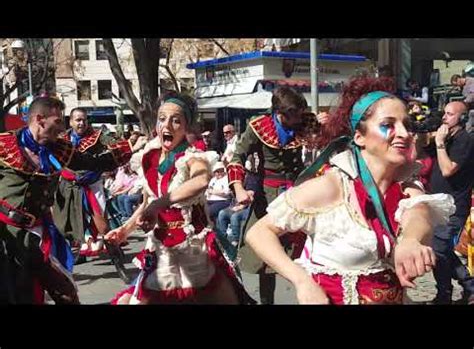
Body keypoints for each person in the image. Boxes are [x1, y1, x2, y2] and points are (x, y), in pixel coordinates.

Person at [244, 76, 455, 304]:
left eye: (407, 124)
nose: (404, 133)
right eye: (388, 125)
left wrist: (411, 240)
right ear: (359, 137)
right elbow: (259, 233)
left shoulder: (406, 183)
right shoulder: (333, 186)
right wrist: (302, 281)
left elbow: (419, 212)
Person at [105, 92, 252, 304]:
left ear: (186, 127)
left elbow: (200, 181)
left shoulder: (193, 157)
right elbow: (146, 203)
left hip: (195, 246)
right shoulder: (150, 157)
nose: (168, 125)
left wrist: (159, 203)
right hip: (161, 246)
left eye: (176, 120)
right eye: (162, 118)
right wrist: (124, 231)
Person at [0, 96, 142, 304]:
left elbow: (93, 163)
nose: (62, 128)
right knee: (16, 294)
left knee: (65, 292)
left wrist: (131, 148)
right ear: (40, 119)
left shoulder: (60, 149)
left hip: (40, 233)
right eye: (58, 121)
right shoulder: (4, 146)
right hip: (8, 234)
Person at [227, 86, 308, 305]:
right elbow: (236, 157)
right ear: (279, 113)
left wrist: (328, 126)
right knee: (264, 257)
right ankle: (266, 302)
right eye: (293, 115)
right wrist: (238, 188)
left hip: (298, 194)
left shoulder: (305, 121)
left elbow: (329, 140)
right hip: (268, 196)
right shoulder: (258, 126)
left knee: (310, 252)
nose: (298, 119)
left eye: (300, 114)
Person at [52, 108, 146, 264]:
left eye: (84, 119)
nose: (81, 123)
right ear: (71, 121)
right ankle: (80, 252)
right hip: (69, 185)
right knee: (70, 221)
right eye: (78, 120)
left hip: (92, 183)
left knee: (100, 221)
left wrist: (129, 144)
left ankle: (115, 250)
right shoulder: (62, 139)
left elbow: (113, 143)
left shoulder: (97, 136)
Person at [427, 101, 474, 304]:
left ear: (462, 118)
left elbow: (448, 169)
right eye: (444, 113)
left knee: (439, 248)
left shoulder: (465, 140)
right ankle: (469, 285)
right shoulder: (446, 138)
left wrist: (439, 143)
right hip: (436, 204)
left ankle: (444, 293)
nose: (445, 118)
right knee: (440, 249)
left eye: (450, 114)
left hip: (454, 206)